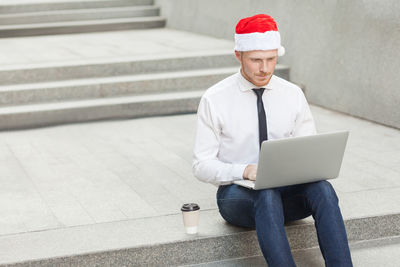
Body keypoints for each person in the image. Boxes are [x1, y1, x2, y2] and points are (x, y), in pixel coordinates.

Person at [192, 14, 353, 267]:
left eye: (271, 59)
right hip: (237, 197)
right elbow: (201, 165)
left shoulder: (292, 94)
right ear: (239, 55)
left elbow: (307, 149)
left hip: (287, 195)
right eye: (256, 60)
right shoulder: (215, 99)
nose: (265, 68)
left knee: (323, 189)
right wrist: (244, 170)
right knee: (266, 195)